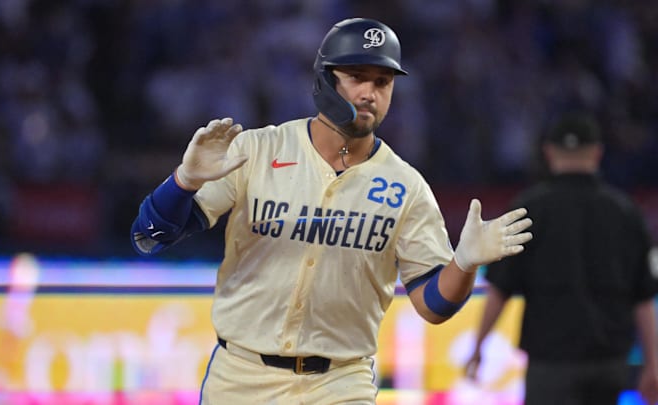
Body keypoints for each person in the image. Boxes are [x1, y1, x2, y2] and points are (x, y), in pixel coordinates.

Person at [131, 18, 533, 404]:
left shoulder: (406, 187)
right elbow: (149, 237)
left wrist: (463, 264)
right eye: (356, 76)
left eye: (382, 82)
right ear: (325, 80)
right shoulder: (257, 150)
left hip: (340, 384)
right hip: (241, 378)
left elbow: (433, 306)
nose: (369, 93)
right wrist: (183, 182)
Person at [464, 113, 658, 405]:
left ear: (549, 152)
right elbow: (643, 297)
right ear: (597, 152)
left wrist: (478, 348)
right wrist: (653, 364)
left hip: (550, 362)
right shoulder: (625, 212)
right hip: (608, 363)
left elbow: (500, 290)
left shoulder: (529, 209)